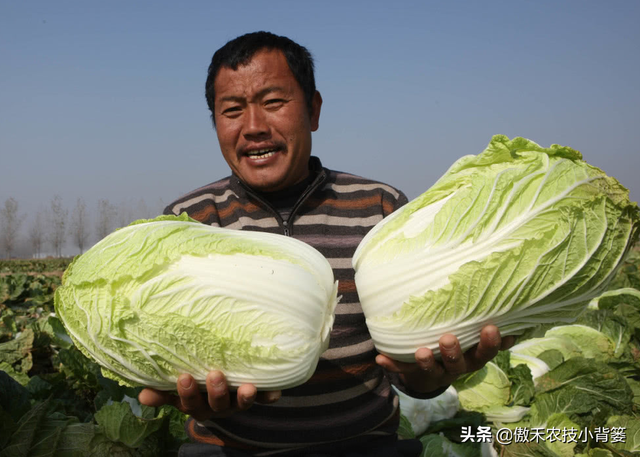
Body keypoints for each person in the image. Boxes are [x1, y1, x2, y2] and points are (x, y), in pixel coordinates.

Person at [139, 31, 513, 457]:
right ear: (216, 123)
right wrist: (192, 396)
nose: (254, 127)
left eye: (274, 102)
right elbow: (165, 354)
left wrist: (433, 375)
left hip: (363, 446)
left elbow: (413, 375)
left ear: (313, 110)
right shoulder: (188, 223)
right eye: (232, 110)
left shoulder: (381, 209)